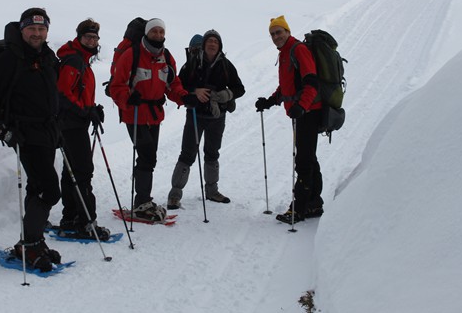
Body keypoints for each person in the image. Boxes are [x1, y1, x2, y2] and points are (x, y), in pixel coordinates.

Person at [0, 7, 62, 271]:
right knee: (50, 189)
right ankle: (29, 244)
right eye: (31, 29)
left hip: (47, 132)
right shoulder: (9, 58)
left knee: (38, 187)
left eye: (41, 29)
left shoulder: (47, 56)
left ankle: (32, 242)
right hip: (24, 133)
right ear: (22, 30)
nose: (36, 33)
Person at [109, 18, 191, 222]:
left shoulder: (166, 56)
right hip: (134, 113)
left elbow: (173, 84)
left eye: (161, 32)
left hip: (154, 114)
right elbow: (116, 86)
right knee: (146, 154)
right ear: (147, 33)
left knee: (149, 156)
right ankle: (142, 201)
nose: (158, 35)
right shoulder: (132, 54)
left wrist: (184, 96)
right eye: (154, 31)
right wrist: (128, 97)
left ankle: (143, 200)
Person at [255, 15, 324, 224]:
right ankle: (314, 203)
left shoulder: (298, 50)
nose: (276, 36)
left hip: (310, 112)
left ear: (287, 31)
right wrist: (269, 101)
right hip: (302, 112)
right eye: (273, 34)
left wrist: (301, 107)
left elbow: (312, 82)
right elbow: (287, 87)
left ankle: (299, 208)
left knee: (303, 160)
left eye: (279, 32)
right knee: (308, 157)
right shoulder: (285, 53)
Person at [167, 29, 245, 209]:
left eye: (215, 42)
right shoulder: (193, 64)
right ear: (204, 45)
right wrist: (195, 92)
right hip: (195, 114)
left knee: (212, 153)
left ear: (219, 46)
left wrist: (226, 94)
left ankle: (211, 191)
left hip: (217, 116)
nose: (212, 44)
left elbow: (239, 88)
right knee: (187, 154)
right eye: (209, 41)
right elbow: (178, 85)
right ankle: (175, 194)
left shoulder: (226, 65)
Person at [55, 18, 110, 241]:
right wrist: (85, 112)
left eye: (95, 37)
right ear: (79, 37)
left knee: (72, 172)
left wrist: (92, 108)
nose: (92, 40)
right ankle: (86, 222)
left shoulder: (81, 60)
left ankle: (70, 217)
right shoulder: (73, 61)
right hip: (71, 124)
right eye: (88, 36)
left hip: (73, 122)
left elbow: (76, 93)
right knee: (83, 171)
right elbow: (63, 95)